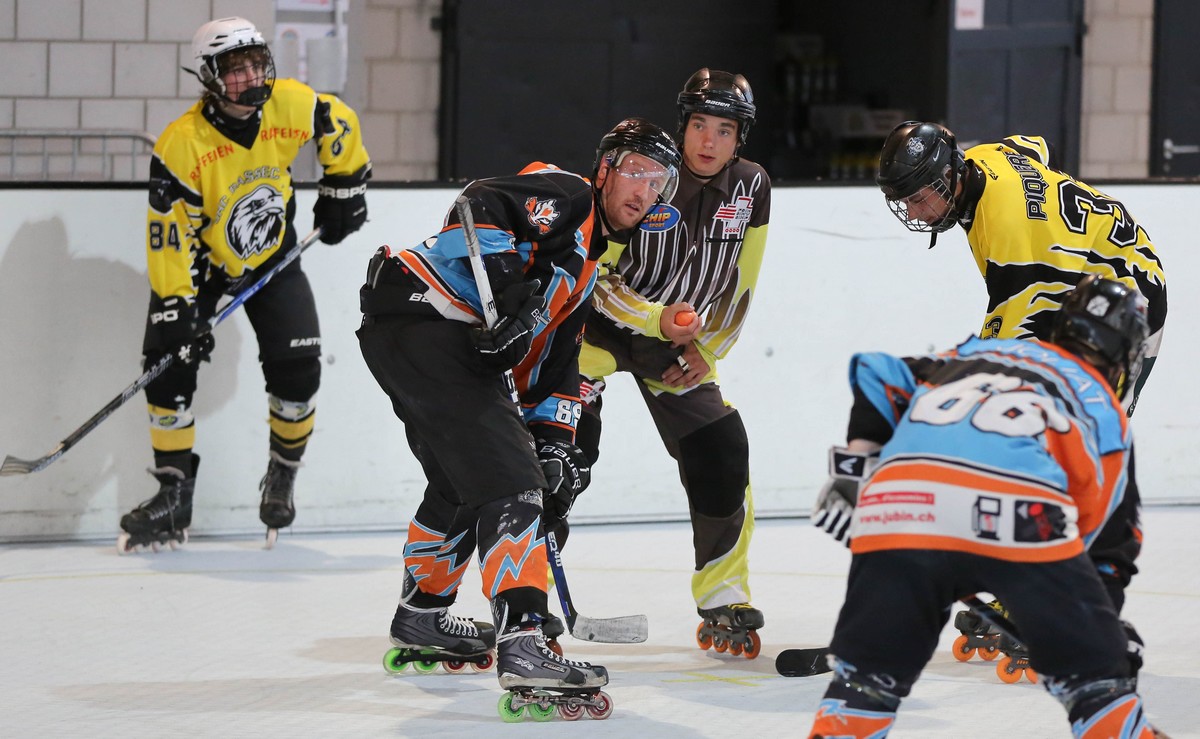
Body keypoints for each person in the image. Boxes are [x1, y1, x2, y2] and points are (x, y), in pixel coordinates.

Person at [356, 119, 680, 716]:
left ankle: (422, 613)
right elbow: (480, 202)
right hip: (425, 318)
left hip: (409, 331)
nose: (644, 189)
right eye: (635, 170)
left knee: (465, 482)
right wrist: (509, 296)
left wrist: (556, 445)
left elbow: (554, 370)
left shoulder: (582, 276)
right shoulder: (570, 195)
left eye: (658, 181)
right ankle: (525, 641)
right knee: (511, 482)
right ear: (605, 169)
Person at [807, 277, 1166, 738]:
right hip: (1019, 516)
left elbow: (878, 371)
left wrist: (855, 471)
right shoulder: (1101, 405)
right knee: (1098, 690)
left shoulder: (976, 353)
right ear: (1125, 355)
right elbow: (1108, 547)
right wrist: (1097, 635)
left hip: (897, 508)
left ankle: (850, 714)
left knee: (865, 685)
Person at [873, 121, 1167, 654]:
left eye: (918, 197)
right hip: (1080, 289)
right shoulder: (984, 160)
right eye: (905, 201)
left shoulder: (1011, 237)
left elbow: (1005, 350)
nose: (915, 211)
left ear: (948, 177)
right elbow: (1033, 145)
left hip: (1121, 308)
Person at [118, 17, 371, 551]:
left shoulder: (288, 104)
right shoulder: (181, 144)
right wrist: (177, 310)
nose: (252, 77)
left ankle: (282, 472)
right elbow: (168, 237)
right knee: (166, 364)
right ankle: (173, 491)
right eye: (236, 69)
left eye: (257, 63)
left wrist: (344, 185)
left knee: (299, 368)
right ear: (209, 77)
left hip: (273, 257)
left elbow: (337, 119)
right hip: (203, 267)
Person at [574, 68, 771, 656]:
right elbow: (596, 276)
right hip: (595, 333)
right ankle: (525, 592)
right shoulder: (648, 171)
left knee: (722, 449)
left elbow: (743, 281)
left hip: (675, 347)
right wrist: (655, 319)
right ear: (682, 126)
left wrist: (706, 351)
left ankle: (724, 595)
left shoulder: (752, 187)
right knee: (561, 454)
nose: (709, 141)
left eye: (725, 130)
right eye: (699, 125)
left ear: (740, 139)